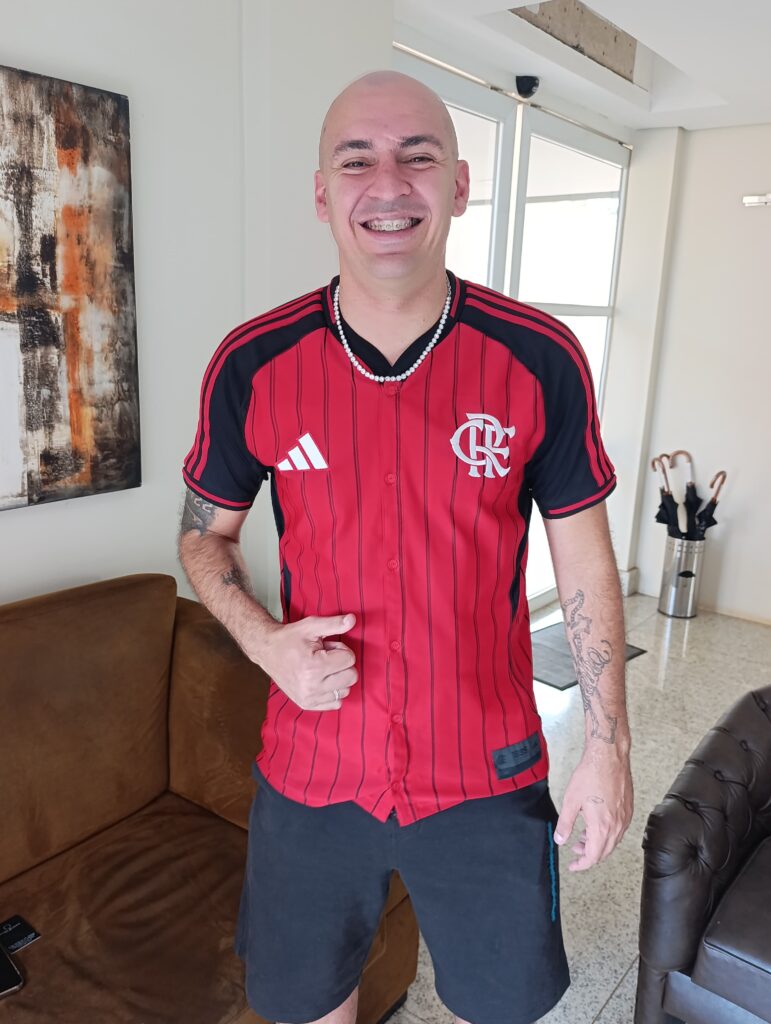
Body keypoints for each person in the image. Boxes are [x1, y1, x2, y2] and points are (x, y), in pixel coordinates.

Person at [178, 69, 633, 1024]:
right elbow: (202, 538)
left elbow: (585, 564)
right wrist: (263, 642)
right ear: (322, 194)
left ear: (458, 185)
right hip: (311, 769)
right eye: (356, 161)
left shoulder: (538, 357)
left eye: (417, 157)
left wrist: (606, 747)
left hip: (486, 770)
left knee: (500, 1007)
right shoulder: (253, 362)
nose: (387, 184)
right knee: (306, 1006)